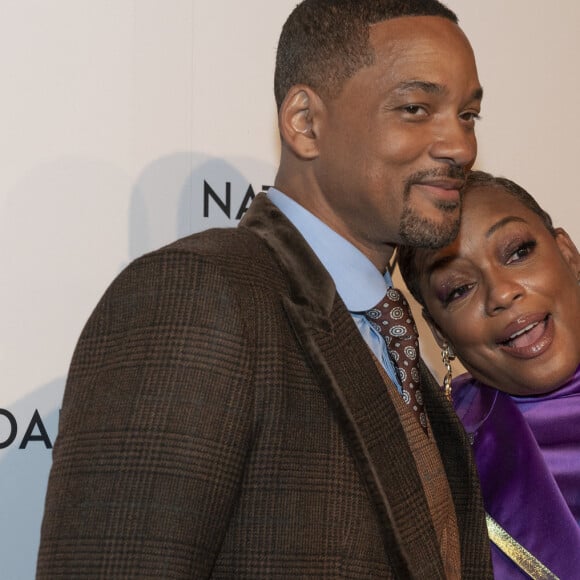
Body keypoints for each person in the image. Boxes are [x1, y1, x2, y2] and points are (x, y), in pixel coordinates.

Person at [37, 1, 493, 578]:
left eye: (468, 116)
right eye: (415, 108)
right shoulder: (198, 297)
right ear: (304, 122)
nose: (460, 147)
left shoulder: (392, 330)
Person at [398, 170, 580, 579]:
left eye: (517, 252)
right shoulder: (429, 463)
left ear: (568, 253)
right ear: (440, 332)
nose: (501, 293)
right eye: (459, 288)